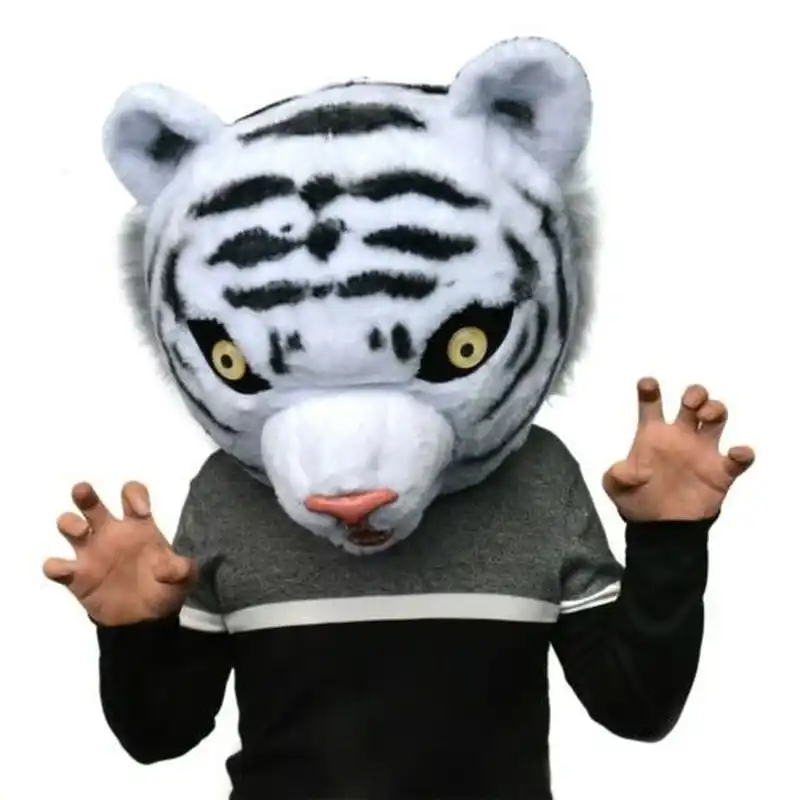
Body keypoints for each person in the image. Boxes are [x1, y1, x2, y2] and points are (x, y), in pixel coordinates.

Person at [43, 37, 755, 799]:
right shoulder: (227, 495)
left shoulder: (537, 479)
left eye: (463, 344)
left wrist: (670, 542)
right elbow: (162, 734)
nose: (348, 489)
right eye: (236, 362)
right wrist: (132, 632)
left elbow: (636, 707)